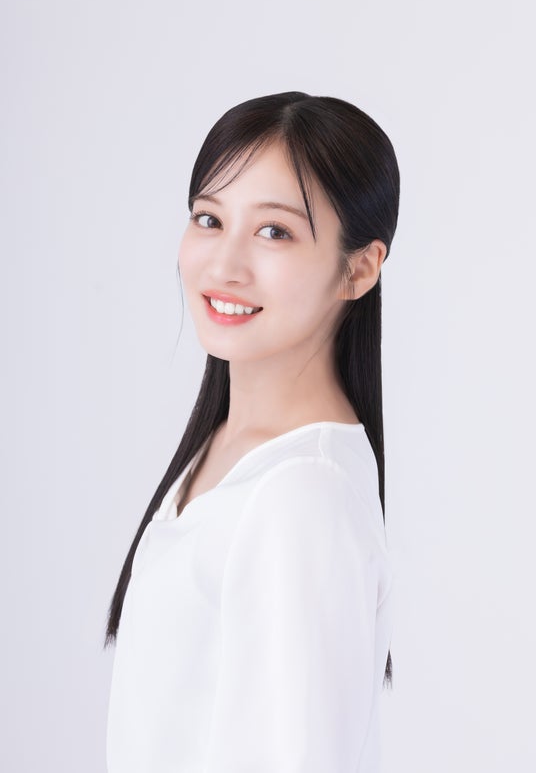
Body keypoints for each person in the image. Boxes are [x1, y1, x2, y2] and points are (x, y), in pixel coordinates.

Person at [104, 91, 400, 772]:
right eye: (209, 219)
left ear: (360, 268)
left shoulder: (301, 497)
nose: (223, 266)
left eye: (274, 232)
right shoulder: (236, 454)